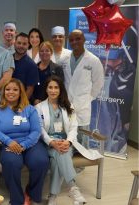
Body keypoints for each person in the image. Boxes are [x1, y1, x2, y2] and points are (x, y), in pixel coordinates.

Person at [35, 76, 102, 205]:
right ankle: (73, 188)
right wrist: (52, 142)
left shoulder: (67, 106)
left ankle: (53, 196)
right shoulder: (39, 107)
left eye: (56, 87)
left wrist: (69, 142)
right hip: (48, 144)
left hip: (65, 143)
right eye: (50, 87)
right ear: (46, 89)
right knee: (60, 153)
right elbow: (40, 129)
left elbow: (73, 127)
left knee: (58, 157)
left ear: (60, 90)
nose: (53, 90)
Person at [0, 78, 49, 205]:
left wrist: (23, 145)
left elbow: (36, 131)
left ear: (21, 92)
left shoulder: (30, 109)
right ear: (3, 92)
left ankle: (32, 193)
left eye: (15, 89)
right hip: (8, 144)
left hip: (30, 143)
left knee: (41, 161)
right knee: (11, 163)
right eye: (8, 89)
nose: (11, 92)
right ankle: (17, 199)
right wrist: (9, 141)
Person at [64, 29, 104, 146]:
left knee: (81, 141)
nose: (74, 42)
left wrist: (87, 98)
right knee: (67, 138)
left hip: (82, 107)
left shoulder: (93, 60)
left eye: (78, 39)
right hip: (66, 105)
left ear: (84, 40)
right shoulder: (65, 59)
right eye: (71, 40)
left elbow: (98, 83)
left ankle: (81, 164)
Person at [12, 32, 39, 99]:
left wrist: (21, 105)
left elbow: (30, 90)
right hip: (6, 100)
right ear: (14, 43)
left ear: (28, 45)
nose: (21, 46)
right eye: (19, 43)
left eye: (24, 44)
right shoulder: (7, 59)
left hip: (21, 103)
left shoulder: (31, 65)